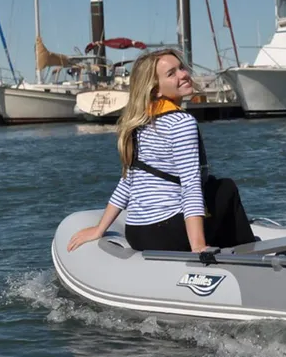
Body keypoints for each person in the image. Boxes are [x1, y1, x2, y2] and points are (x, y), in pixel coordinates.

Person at [67, 48, 255, 253]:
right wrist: (198, 246)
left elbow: (126, 183)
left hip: (137, 233)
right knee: (226, 188)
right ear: (155, 89)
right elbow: (190, 186)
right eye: (171, 73)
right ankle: (247, 253)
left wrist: (99, 228)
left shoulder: (139, 122)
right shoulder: (182, 123)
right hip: (168, 234)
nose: (183, 74)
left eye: (181, 68)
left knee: (210, 185)